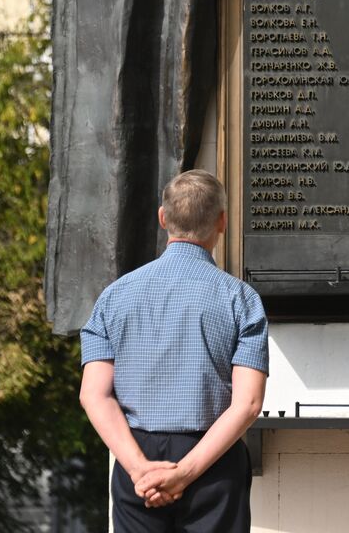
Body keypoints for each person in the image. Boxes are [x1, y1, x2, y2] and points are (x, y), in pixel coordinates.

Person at [79, 169, 268, 532]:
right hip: (213, 461)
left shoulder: (113, 297)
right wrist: (185, 473)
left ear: (163, 218)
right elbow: (248, 404)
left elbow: (94, 395)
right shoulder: (242, 300)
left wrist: (138, 469)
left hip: (138, 464)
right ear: (222, 222)